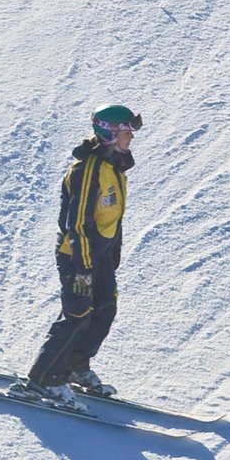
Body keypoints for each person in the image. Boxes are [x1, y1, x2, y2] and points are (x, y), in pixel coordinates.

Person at [13, 104, 143, 409]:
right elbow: (78, 223)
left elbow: (111, 219)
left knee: (105, 308)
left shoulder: (114, 168)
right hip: (77, 255)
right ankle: (43, 379)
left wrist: (110, 257)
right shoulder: (88, 170)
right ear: (110, 133)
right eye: (127, 132)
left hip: (99, 256)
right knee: (77, 315)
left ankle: (74, 365)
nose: (131, 138)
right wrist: (84, 266)